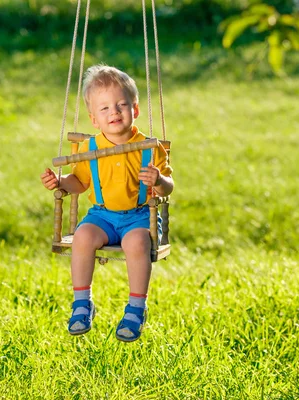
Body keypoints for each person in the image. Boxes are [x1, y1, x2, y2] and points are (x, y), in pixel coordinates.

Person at [41, 64, 174, 342]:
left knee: (137, 244)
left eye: (121, 105)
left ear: (135, 110)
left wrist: (158, 179)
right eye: (104, 109)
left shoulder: (149, 147)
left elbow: (168, 188)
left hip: (139, 216)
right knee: (82, 236)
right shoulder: (91, 148)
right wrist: (61, 182)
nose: (113, 112)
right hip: (102, 216)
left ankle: (136, 308)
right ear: (94, 118)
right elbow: (79, 183)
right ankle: (82, 303)